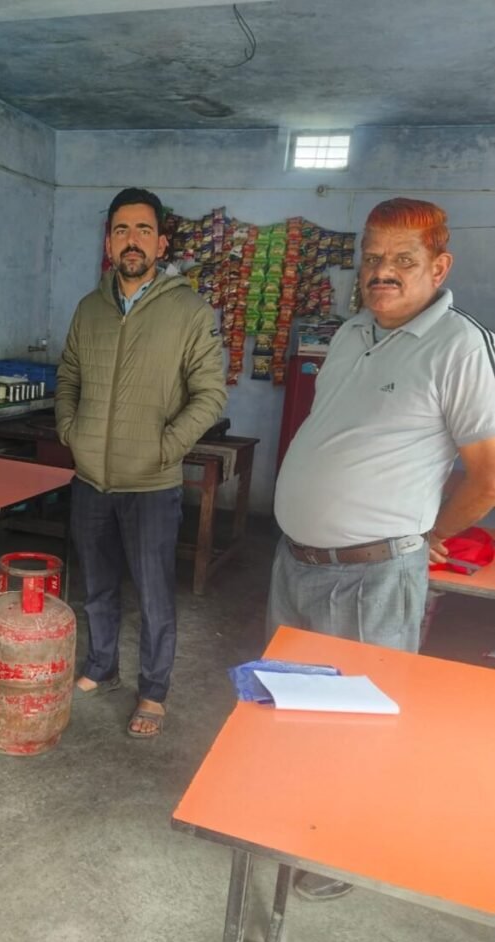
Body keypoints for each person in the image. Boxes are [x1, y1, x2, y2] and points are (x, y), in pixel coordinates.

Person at [270, 197, 495, 898]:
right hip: (296, 562)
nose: (381, 272)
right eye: (371, 258)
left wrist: (429, 537)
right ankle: (296, 819)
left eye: (402, 259)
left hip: (371, 577)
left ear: (439, 266)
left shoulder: (457, 345)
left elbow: (486, 475)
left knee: (357, 719)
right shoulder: (350, 333)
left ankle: (341, 854)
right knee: (292, 706)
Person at [55, 187, 227, 737]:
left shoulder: (188, 311)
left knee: (154, 597)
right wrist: (70, 432)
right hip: (91, 479)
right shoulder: (90, 308)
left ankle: (153, 691)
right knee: (97, 587)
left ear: (161, 243)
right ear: (109, 242)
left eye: (144, 230)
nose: (133, 241)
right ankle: (102, 666)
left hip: (151, 485)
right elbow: (69, 377)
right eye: (122, 230)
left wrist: (166, 447)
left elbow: (211, 394)